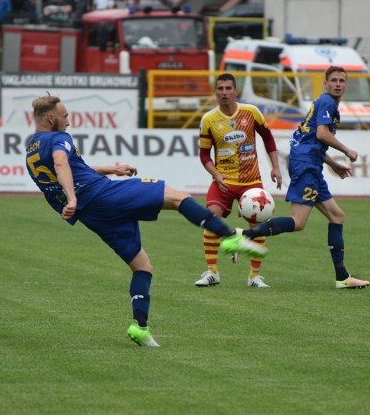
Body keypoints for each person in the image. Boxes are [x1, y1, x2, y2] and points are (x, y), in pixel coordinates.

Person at [25, 94, 267, 347]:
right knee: (178, 198)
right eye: (65, 117)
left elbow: (72, 167)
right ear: (51, 118)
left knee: (142, 266)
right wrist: (72, 197)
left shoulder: (32, 149)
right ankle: (229, 239)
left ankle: (140, 327)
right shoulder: (58, 138)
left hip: (92, 215)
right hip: (104, 196)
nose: (68, 122)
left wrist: (111, 170)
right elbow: (61, 162)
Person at [240, 66, 370, 290]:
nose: (338, 84)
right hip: (306, 165)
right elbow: (322, 133)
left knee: (337, 215)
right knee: (298, 222)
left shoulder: (325, 103)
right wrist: (346, 151)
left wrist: (333, 164)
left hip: (310, 162)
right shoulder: (328, 102)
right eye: (334, 80)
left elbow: (312, 139)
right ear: (326, 83)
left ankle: (342, 277)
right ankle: (245, 235)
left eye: (342, 80)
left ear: (346, 85)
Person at [194, 73, 282, 289]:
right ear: (216, 92)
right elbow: (204, 155)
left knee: (257, 225)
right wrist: (216, 175)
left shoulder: (251, 112)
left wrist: (276, 167)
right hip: (223, 181)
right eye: (220, 89)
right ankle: (212, 272)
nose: (224, 93)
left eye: (228, 88)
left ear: (235, 91)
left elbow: (268, 137)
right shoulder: (209, 120)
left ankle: (254, 276)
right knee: (210, 218)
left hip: (251, 181)